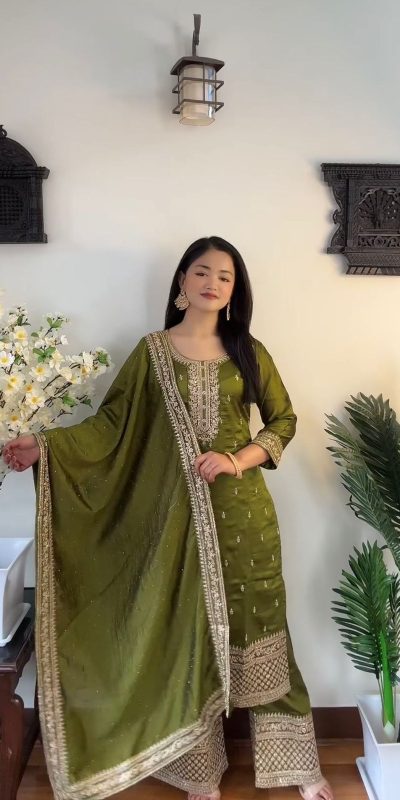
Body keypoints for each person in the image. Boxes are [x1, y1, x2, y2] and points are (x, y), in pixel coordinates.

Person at [3, 237, 333, 800]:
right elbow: (111, 426)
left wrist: (235, 460)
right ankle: (198, 770)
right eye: (202, 271)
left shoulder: (249, 350)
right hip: (173, 522)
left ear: (235, 290)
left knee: (261, 630)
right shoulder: (152, 351)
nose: (212, 283)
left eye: (225, 276)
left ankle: (297, 764)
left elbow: (283, 422)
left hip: (245, 519)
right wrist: (46, 445)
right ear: (182, 281)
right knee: (188, 635)